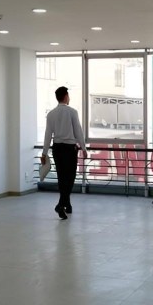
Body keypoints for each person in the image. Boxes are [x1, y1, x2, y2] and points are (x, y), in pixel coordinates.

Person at [41, 86, 86, 220]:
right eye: (68, 95)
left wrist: (44, 153)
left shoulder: (51, 114)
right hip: (69, 149)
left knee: (62, 177)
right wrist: (83, 148)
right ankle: (61, 204)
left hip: (57, 149)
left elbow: (48, 134)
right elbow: (78, 131)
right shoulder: (72, 112)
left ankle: (67, 204)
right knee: (70, 177)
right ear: (66, 96)